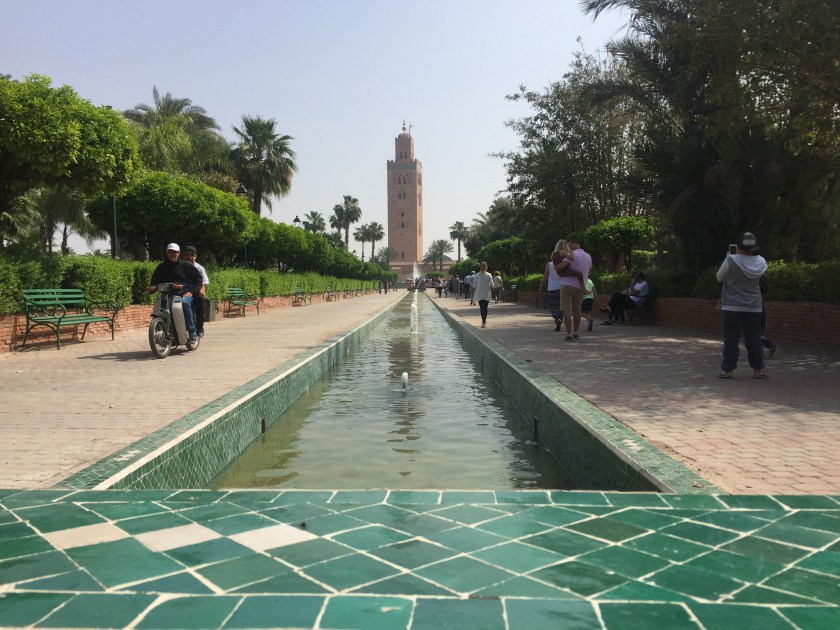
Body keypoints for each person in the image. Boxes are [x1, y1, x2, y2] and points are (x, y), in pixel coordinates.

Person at [716, 232, 768, 379]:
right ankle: (758, 370)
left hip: (732, 306)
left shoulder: (731, 260)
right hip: (754, 306)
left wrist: (727, 258)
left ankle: (728, 370)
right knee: (754, 338)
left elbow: (719, 277)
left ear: (738, 246)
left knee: (731, 339)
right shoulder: (761, 262)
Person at [148, 243, 203, 343]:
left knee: (185, 303)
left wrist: (191, 291)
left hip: (184, 294)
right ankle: (161, 329)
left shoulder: (186, 265)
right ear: (167, 252)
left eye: (174, 252)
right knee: (160, 303)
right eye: (170, 251)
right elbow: (155, 281)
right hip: (167, 294)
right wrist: (152, 287)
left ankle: (192, 332)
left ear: (179, 253)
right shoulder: (162, 266)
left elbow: (199, 279)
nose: (172, 254)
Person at [555, 239, 592, 341]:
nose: (567, 248)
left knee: (567, 310)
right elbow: (589, 271)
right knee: (577, 310)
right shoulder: (588, 256)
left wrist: (556, 267)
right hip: (580, 287)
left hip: (566, 284)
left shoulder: (572, 254)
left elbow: (561, 266)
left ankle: (569, 334)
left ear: (572, 245)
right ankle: (576, 332)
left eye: (568, 246)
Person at [539, 240, 569, 331]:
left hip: (551, 289)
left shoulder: (550, 264)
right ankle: (560, 318)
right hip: (563, 287)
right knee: (562, 307)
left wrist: (541, 288)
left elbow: (545, 277)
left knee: (553, 307)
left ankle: (557, 318)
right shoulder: (567, 263)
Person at [183, 246, 208, 338]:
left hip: (196, 292)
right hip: (183, 291)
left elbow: (203, 284)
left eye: (192, 254)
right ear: (184, 256)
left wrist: (201, 291)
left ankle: (199, 327)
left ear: (195, 256)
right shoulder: (181, 266)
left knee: (200, 301)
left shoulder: (200, 268)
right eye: (187, 254)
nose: (190, 256)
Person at [472, 261, 494, 328]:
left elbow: (474, 286)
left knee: (482, 308)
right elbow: (492, 285)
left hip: (479, 293)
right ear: (486, 267)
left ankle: (483, 322)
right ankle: (484, 321)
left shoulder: (477, 275)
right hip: (486, 293)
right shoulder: (489, 275)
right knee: (485, 307)